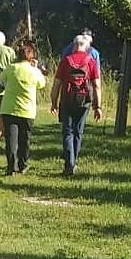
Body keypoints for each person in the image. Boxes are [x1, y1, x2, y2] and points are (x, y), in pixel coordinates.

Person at [51, 33, 103, 176]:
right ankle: (73, 163)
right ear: (86, 48)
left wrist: (54, 102)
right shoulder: (91, 61)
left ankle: (69, 165)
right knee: (78, 132)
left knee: (68, 132)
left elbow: (56, 84)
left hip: (67, 100)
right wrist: (97, 106)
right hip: (84, 101)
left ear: (74, 45)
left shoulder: (66, 60)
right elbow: (97, 85)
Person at [0, 41, 47, 176]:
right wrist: (36, 68)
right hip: (27, 109)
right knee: (24, 139)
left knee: (11, 139)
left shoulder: (11, 68)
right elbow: (41, 84)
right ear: (31, 57)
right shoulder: (34, 71)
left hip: (9, 108)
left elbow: (1, 79)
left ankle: (11, 166)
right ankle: (23, 164)